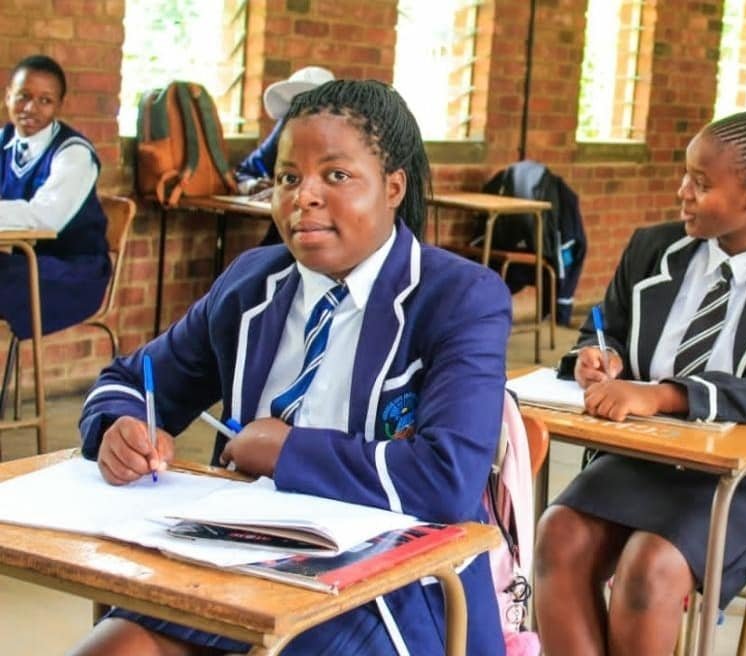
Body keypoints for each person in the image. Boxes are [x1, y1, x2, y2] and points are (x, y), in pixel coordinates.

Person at [70, 79, 510, 655]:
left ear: (393, 186)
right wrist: (120, 428)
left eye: (336, 175)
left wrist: (286, 452)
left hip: (384, 588)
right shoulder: (252, 283)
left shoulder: (459, 297)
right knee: (112, 648)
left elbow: (447, 479)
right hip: (234, 561)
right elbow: (129, 381)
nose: (304, 197)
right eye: (287, 178)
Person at [533, 111, 746, 656]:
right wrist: (599, 357)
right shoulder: (651, 249)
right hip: (646, 455)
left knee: (650, 565)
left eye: (701, 184)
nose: (682, 192)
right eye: (686, 175)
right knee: (557, 534)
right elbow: (603, 330)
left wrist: (664, 394)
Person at [0, 54, 109, 340]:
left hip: (72, 272)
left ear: (60, 105)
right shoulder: (3, 142)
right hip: (22, 262)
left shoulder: (74, 154)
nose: (30, 108)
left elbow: (45, 218)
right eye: (23, 96)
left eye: (45, 100)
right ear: (8, 96)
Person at [235, 65, 334, 246]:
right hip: (285, 238)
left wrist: (289, 189)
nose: (304, 113)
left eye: (314, 105)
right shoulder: (287, 131)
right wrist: (253, 185)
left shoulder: (348, 140)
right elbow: (245, 172)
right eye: (296, 106)